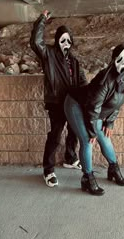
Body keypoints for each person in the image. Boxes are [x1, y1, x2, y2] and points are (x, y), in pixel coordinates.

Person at [64, 43, 124, 196]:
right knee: (87, 140)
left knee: (105, 138)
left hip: (94, 110)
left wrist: (110, 122)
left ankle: (113, 170)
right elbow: (93, 107)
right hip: (76, 104)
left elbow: (118, 103)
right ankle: (87, 179)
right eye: (119, 58)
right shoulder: (105, 79)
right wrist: (91, 131)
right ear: (113, 59)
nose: (122, 62)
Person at [30, 10, 87, 187]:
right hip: (56, 103)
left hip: (72, 104)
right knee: (55, 135)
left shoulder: (74, 61)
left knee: (74, 131)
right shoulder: (49, 55)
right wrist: (41, 21)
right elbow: (35, 42)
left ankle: (70, 158)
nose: (65, 44)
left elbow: (82, 81)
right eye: (62, 40)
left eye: (68, 41)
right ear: (57, 41)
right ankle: (48, 170)